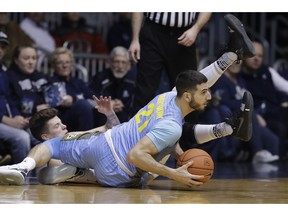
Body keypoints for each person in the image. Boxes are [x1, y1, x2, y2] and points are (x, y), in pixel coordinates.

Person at [0, 14, 255, 187]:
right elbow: (136, 154)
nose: (209, 94)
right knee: (157, 153)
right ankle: (228, 125)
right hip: (120, 169)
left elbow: (198, 84)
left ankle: (24, 167)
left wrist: (110, 116)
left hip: (101, 147)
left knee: (56, 145)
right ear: (186, 96)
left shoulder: (164, 98)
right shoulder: (172, 125)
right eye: (204, 93)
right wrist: (174, 174)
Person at [128, 12, 212, 116]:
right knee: (145, 89)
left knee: (189, 87)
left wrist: (196, 28)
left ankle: (187, 131)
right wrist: (135, 39)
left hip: (185, 34)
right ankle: (136, 130)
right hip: (153, 32)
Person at [211, 60, 280, 163]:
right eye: (233, 61)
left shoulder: (240, 79)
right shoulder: (220, 80)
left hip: (247, 119)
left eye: (239, 61)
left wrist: (252, 111)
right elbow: (223, 103)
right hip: (232, 121)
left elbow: (248, 100)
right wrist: (246, 106)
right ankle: (258, 152)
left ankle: (262, 159)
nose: (236, 64)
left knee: (274, 141)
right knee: (248, 112)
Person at [241, 41, 288, 159]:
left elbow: (285, 87)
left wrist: (284, 99)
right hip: (258, 117)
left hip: (276, 113)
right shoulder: (239, 76)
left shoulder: (267, 71)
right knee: (279, 128)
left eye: (260, 56)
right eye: (253, 54)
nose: (256, 59)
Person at [0, 32, 31, 163]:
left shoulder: (3, 71)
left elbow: (9, 99)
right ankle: (21, 175)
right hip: (2, 120)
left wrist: (17, 116)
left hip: (7, 119)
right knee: (22, 137)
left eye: (3, 47)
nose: (0, 50)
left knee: (43, 132)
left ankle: (45, 176)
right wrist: (6, 119)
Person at [49, 47, 96, 131]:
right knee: (83, 105)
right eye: (60, 63)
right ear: (53, 65)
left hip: (81, 119)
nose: (65, 66)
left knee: (104, 110)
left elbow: (94, 97)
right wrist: (77, 99)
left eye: (67, 62)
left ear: (71, 65)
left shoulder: (78, 82)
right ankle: (86, 142)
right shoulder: (51, 82)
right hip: (61, 121)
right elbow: (61, 102)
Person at [89, 46, 136, 123]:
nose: (120, 66)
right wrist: (108, 105)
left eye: (123, 62)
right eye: (116, 62)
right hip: (102, 116)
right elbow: (91, 98)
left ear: (128, 65)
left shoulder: (133, 80)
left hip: (127, 117)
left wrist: (122, 105)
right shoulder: (100, 77)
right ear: (110, 62)